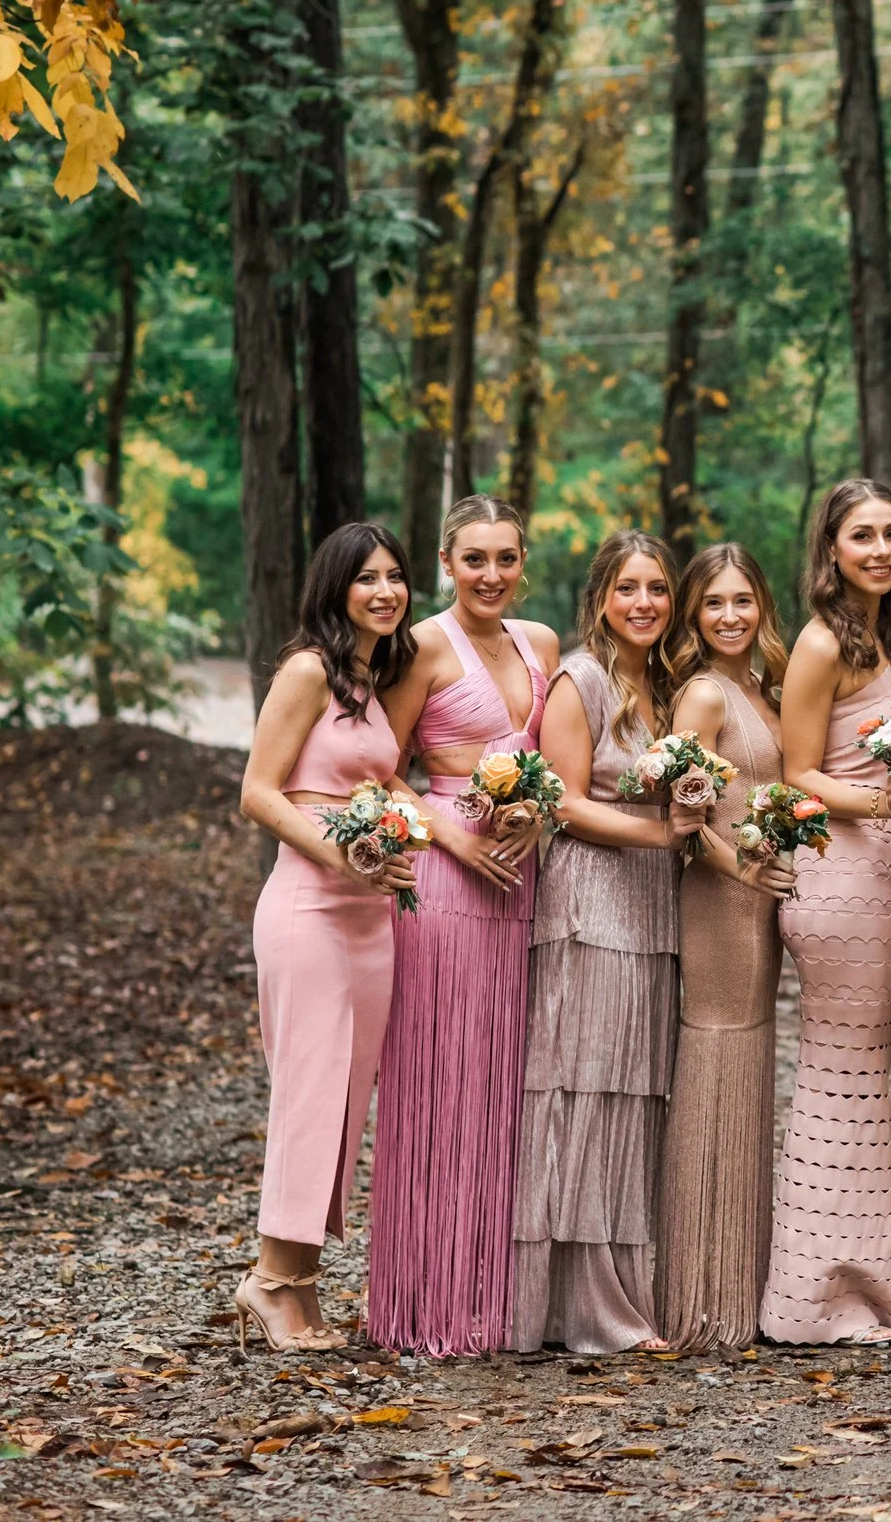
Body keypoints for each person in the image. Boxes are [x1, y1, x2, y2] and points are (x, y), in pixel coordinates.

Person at [372, 495, 558, 1355]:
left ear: (524, 561)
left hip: (520, 881)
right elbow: (383, 769)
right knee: (439, 1079)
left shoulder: (542, 644)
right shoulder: (420, 647)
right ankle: (419, 1300)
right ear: (447, 562)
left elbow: (550, 766)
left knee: (498, 1088)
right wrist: (451, 833)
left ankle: (487, 1298)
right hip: (445, 883)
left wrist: (535, 815)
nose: (491, 574)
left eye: (506, 558)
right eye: (474, 558)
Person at [512, 530, 699, 1353]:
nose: (646, 603)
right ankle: (583, 1308)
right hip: (592, 904)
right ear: (601, 597)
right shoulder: (579, 679)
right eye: (629, 588)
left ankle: (618, 1293)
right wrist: (666, 837)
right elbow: (562, 800)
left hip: (655, 913)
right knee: (583, 1093)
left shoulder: (665, 689)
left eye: (658, 588)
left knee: (631, 1096)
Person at [235, 523, 418, 1350]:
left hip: (369, 914)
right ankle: (270, 1281)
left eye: (395, 577)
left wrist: (411, 833)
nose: (385, 591)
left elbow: (384, 784)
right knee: (308, 1089)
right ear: (335, 587)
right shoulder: (308, 669)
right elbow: (260, 792)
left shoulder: (369, 680)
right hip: (309, 907)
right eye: (367, 578)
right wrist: (344, 849)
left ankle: (299, 1280)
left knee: (345, 1101)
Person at [764, 479, 891, 1345]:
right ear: (831, 547)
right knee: (840, 1079)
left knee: (863, 1080)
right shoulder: (824, 642)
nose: (881, 549)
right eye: (863, 535)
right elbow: (797, 772)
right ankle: (820, 1294)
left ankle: (857, 1280)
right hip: (840, 874)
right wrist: (877, 803)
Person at [657, 544, 797, 1349]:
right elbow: (685, 826)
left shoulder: (759, 690)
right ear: (695, 615)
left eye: (744, 600)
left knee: (748, 1062)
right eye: (714, 603)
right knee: (715, 1060)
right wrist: (742, 864)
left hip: (758, 903)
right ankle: (699, 1294)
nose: (732, 615)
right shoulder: (704, 695)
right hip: (719, 901)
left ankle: (736, 1281)